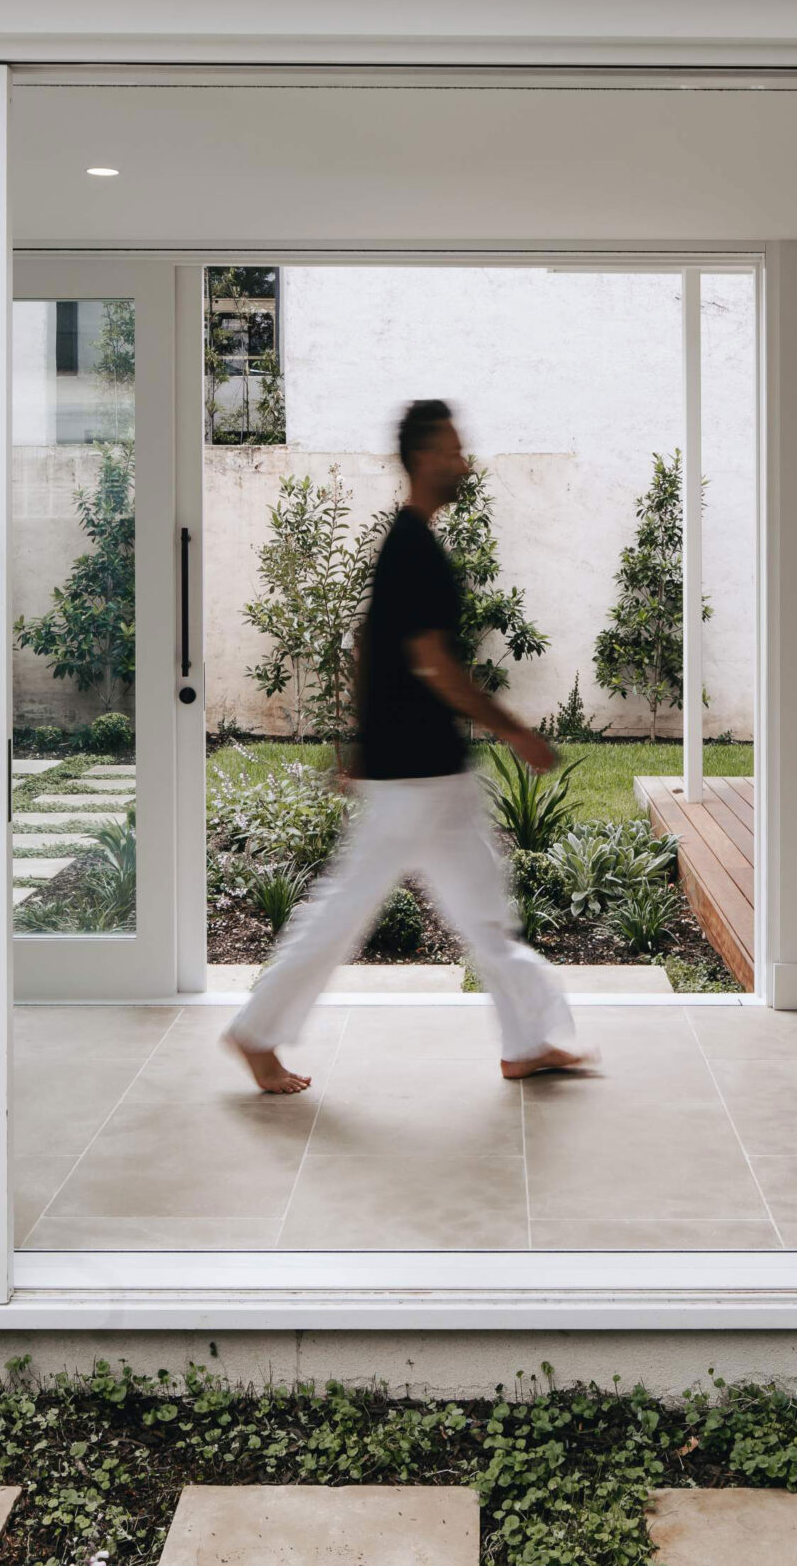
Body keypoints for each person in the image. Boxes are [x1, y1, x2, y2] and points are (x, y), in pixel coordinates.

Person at [224, 400, 594, 1094]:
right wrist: (514, 728)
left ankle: (528, 1042)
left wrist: (355, 741)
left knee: (485, 909)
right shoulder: (413, 549)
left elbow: (370, 643)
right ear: (424, 457)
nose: (464, 461)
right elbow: (433, 664)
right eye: (453, 449)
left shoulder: (409, 542)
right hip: (413, 775)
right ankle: (256, 1031)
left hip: (432, 770)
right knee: (347, 907)